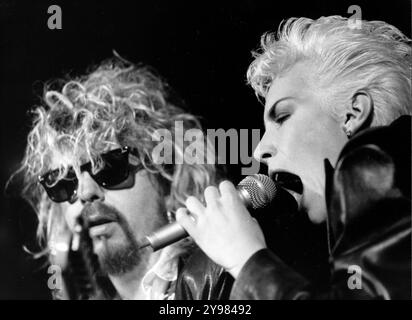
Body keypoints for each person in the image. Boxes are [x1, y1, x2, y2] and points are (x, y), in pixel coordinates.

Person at [175, 16, 411, 299]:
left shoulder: (373, 163)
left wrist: (246, 261)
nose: (258, 150)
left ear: (353, 113)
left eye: (283, 117)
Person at [14, 59, 233, 299]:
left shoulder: (225, 280)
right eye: (65, 182)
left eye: (109, 167)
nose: (86, 192)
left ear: (166, 176)